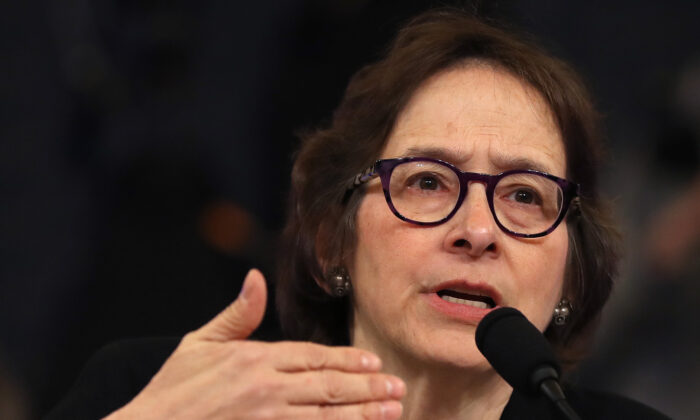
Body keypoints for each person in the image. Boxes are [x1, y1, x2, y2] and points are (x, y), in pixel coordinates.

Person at [47, 8, 669, 420]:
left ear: (570, 269)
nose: (479, 231)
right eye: (427, 181)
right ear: (331, 240)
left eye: (525, 195)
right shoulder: (160, 392)